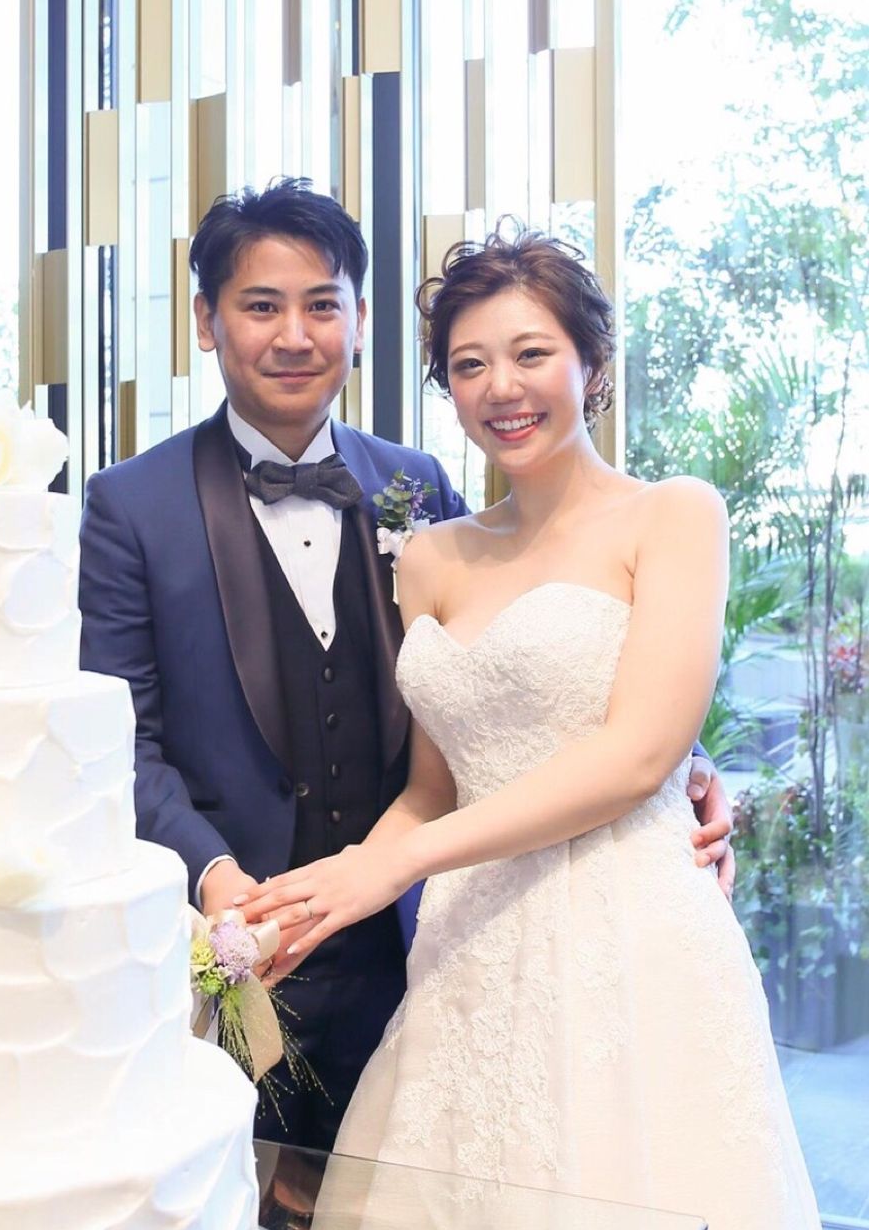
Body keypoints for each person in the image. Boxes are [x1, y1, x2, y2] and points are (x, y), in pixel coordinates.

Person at [79, 179, 733, 1154]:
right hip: (245, 939)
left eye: (320, 304)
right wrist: (214, 876)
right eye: (261, 305)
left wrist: (685, 765)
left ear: (357, 320)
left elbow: (525, 665)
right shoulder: (130, 505)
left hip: (420, 936)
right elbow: (116, 740)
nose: (293, 334)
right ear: (207, 321)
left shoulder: (410, 488)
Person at [241, 225, 829, 1230]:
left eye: (529, 353)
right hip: (469, 947)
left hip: (628, 931)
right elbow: (433, 789)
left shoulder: (673, 516)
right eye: (468, 364)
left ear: (590, 364)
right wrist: (327, 893)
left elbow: (637, 756)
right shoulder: (430, 556)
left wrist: (394, 866)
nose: (500, 388)